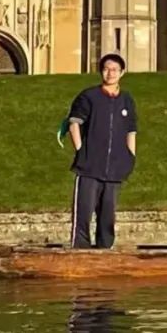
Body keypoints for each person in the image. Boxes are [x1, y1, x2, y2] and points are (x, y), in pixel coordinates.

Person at [66, 53, 138, 249]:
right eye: (106, 69)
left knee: (108, 216)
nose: (110, 73)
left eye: (115, 69)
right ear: (101, 72)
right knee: (83, 212)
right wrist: (82, 150)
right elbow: (74, 123)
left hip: (115, 167)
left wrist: (130, 156)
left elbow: (131, 131)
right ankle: (80, 250)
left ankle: (105, 251)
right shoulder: (89, 96)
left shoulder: (126, 100)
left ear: (122, 73)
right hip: (89, 166)